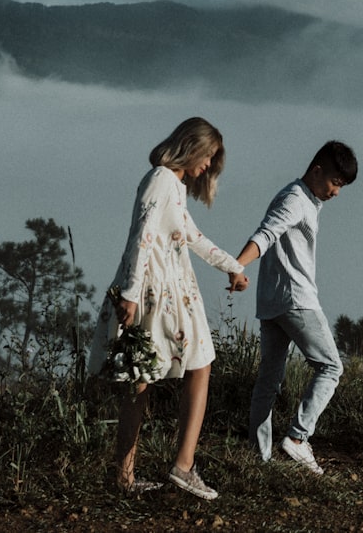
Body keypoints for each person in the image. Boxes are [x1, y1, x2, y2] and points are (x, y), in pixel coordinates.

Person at [89, 117, 249, 499]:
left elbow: (192, 237)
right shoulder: (161, 180)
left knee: (140, 379)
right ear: (191, 146)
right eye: (208, 156)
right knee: (198, 365)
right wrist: (128, 292)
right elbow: (142, 235)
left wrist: (233, 266)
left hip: (164, 289)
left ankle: (125, 479)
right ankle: (183, 465)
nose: (208, 166)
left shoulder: (170, 184)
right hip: (159, 291)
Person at [234, 140, 358, 474]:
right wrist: (237, 265)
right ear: (317, 171)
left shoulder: (302, 198)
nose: (336, 192)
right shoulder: (295, 200)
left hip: (272, 302)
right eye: (335, 182)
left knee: (269, 381)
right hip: (295, 300)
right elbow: (266, 234)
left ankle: (259, 458)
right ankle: (298, 439)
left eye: (342, 186)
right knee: (331, 367)